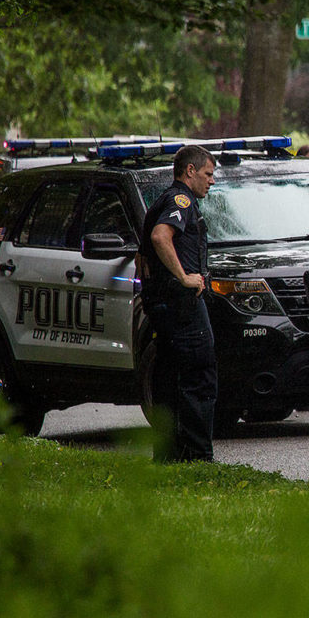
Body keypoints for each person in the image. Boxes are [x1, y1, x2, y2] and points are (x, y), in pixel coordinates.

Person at [137, 145, 218, 462]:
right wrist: (184, 277)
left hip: (164, 306)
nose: (212, 181)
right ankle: (197, 457)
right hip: (182, 306)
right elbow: (160, 237)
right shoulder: (180, 201)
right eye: (208, 174)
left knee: (168, 381)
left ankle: (168, 457)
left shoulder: (160, 201)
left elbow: (142, 255)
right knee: (199, 377)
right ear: (190, 171)